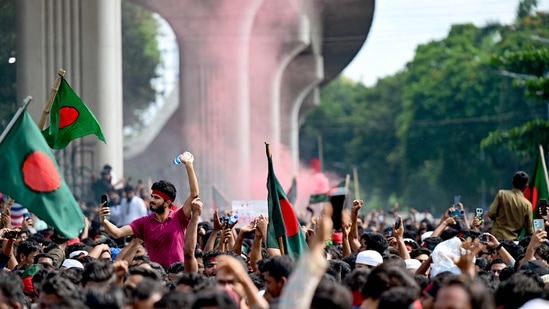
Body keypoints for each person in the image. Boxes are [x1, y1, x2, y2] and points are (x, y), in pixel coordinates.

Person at [99, 153, 199, 269]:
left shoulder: (179, 217)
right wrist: (104, 220)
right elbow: (117, 233)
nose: (151, 200)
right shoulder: (144, 223)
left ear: (167, 203)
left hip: (177, 275)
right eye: (152, 196)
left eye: (156, 198)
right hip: (156, 277)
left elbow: (194, 194)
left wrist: (189, 165)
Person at [487, 171, 533, 240]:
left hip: (496, 238)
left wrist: (499, 220)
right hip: (512, 241)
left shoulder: (501, 194)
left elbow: (490, 213)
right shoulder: (527, 205)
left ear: (512, 182)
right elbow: (529, 229)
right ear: (526, 186)